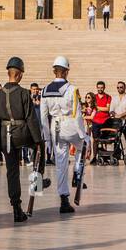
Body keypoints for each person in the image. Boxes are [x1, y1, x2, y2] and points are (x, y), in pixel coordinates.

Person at [0, 56, 41, 223]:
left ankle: (16, 208)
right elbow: (31, 119)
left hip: (5, 136)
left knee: (12, 172)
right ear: (19, 75)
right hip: (22, 134)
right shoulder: (25, 94)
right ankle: (38, 181)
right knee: (39, 151)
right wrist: (39, 141)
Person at [39, 55, 87, 215]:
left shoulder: (45, 90)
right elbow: (78, 113)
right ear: (66, 72)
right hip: (70, 125)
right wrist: (83, 134)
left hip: (55, 128)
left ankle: (64, 199)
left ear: (54, 71)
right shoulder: (72, 89)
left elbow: (43, 117)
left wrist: (47, 138)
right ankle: (77, 173)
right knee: (82, 147)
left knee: (61, 165)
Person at [110, 81, 126, 163]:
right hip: (116, 123)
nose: (119, 89)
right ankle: (116, 155)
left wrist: (119, 116)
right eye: (118, 87)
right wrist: (115, 115)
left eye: (121, 87)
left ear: (124, 87)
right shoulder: (114, 98)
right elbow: (111, 110)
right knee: (116, 140)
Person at [89, 81, 112, 163]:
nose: (100, 89)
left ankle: (104, 156)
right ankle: (94, 157)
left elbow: (107, 109)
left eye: (101, 87)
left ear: (104, 88)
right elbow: (91, 108)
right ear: (96, 87)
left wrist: (97, 107)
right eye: (98, 87)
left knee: (104, 140)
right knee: (95, 139)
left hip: (105, 121)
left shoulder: (108, 97)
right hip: (95, 121)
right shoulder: (94, 97)